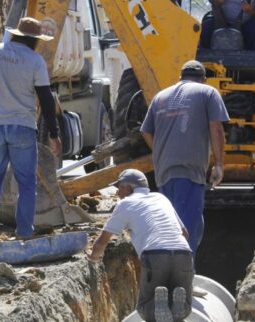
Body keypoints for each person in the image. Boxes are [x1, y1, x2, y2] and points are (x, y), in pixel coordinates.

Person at [0, 17, 62, 245]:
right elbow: (46, 99)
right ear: (34, 41)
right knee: (26, 183)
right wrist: (54, 134)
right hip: (22, 127)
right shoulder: (35, 60)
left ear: (16, 34)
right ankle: (24, 233)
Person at [140, 60, 229, 261]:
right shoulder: (208, 93)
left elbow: (145, 131)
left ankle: (169, 276)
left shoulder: (160, 96)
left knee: (170, 224)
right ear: (204, 79)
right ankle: (184, 279)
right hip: (188, 171)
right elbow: (216, 128)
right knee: (187, 228)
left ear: (180, 77)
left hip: (164, 173)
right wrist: (219, 163)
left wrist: (162, 152)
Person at [89, 169, 193, 322]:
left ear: (129, 187)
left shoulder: (125, 204)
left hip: (154, 255)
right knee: (184, 305)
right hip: (183, 253)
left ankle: (156, 309)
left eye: (120, 187)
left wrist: (92, 258)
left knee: (145, 307)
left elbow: (101, 242)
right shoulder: (161, 198)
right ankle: (178, 309)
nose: (118, 192)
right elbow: (185, 233)